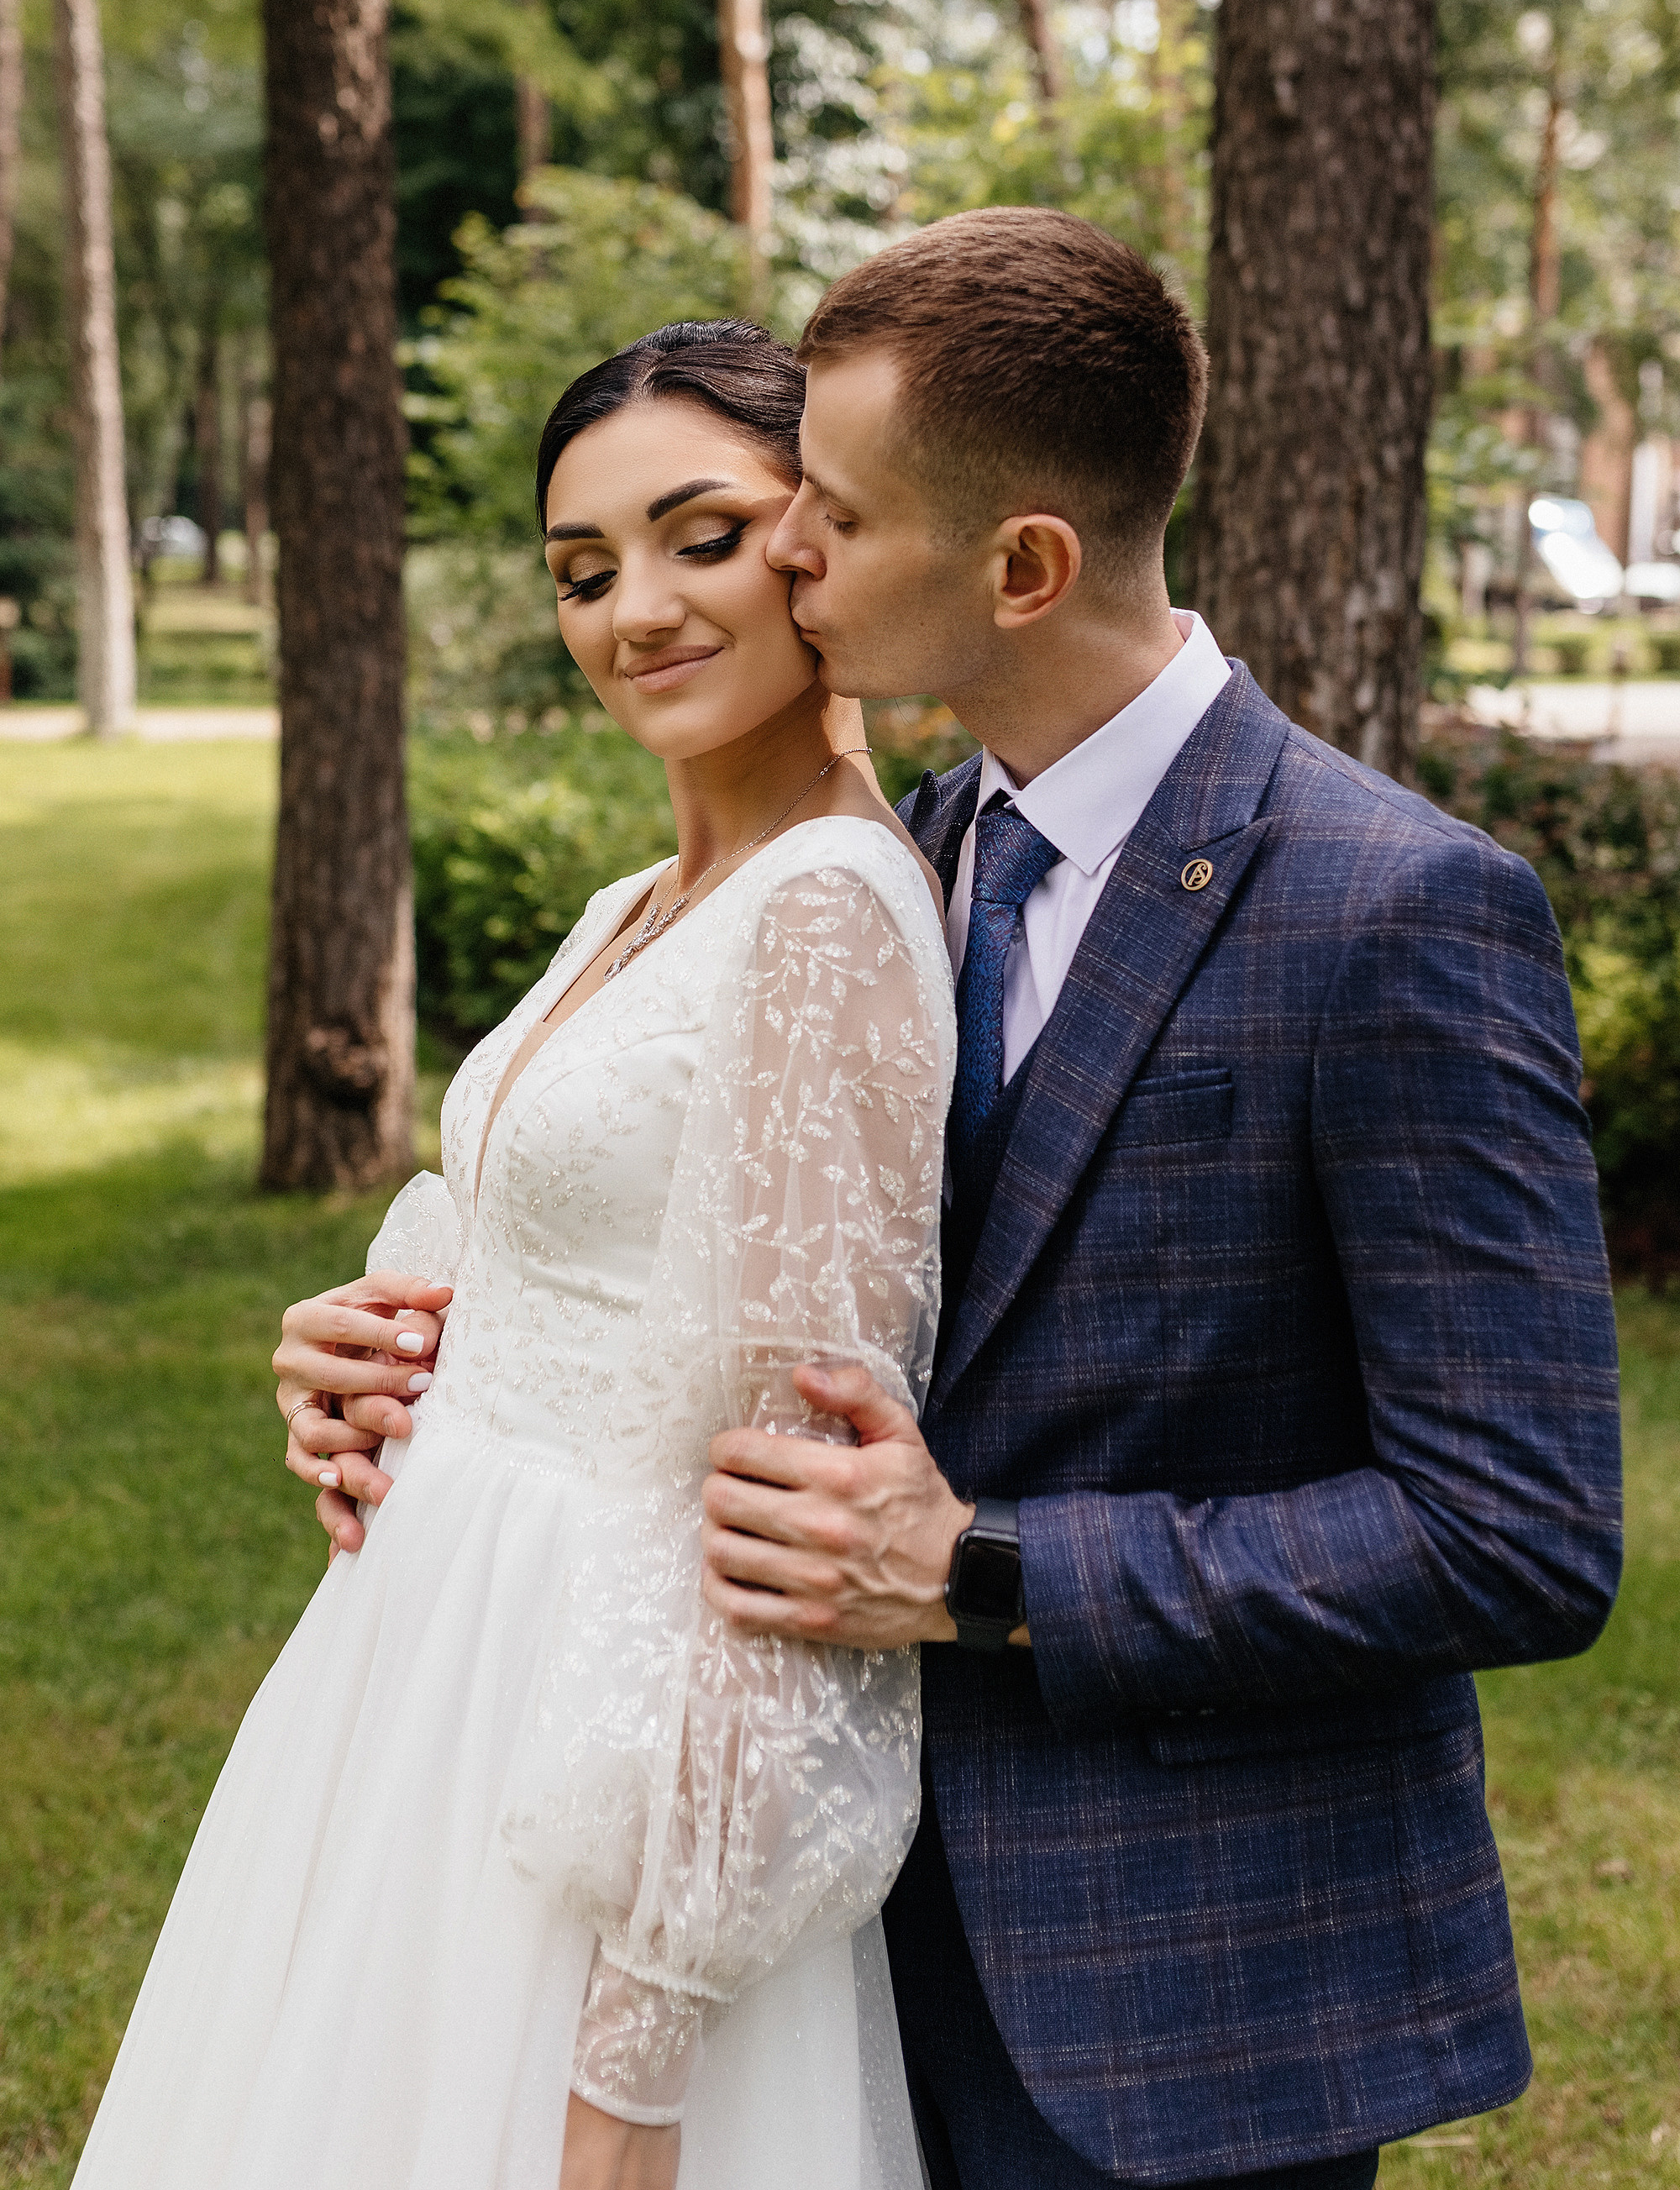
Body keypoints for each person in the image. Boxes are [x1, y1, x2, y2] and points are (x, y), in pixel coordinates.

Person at [281, 211, 1622, 2190]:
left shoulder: (1390, 910)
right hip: (848, 1942)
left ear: (1021, 565)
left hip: (1182, 1988)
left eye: (825, 511)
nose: (786, 553)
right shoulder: (903, 861)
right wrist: (436, 1342)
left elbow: (1512, 1532)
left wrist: (985, 1564)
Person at [72, 322, 955, 2190]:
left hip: (602, 1748)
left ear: (820, 538)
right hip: (429, 1677)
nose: (634, 607)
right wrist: (371, 1346)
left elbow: (784, 1508)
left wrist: (636, 2060)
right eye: (581, 569)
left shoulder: (829, 920)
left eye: (699, 536)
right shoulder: (639, 905)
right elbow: (550, 1242)